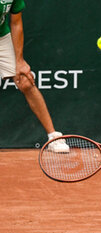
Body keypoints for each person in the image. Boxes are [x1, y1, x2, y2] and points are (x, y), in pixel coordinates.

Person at [0, 0, 68, 152]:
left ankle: (53, 137)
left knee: (25, 80)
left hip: (1, 37)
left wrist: (19, 61)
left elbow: (16, 22)